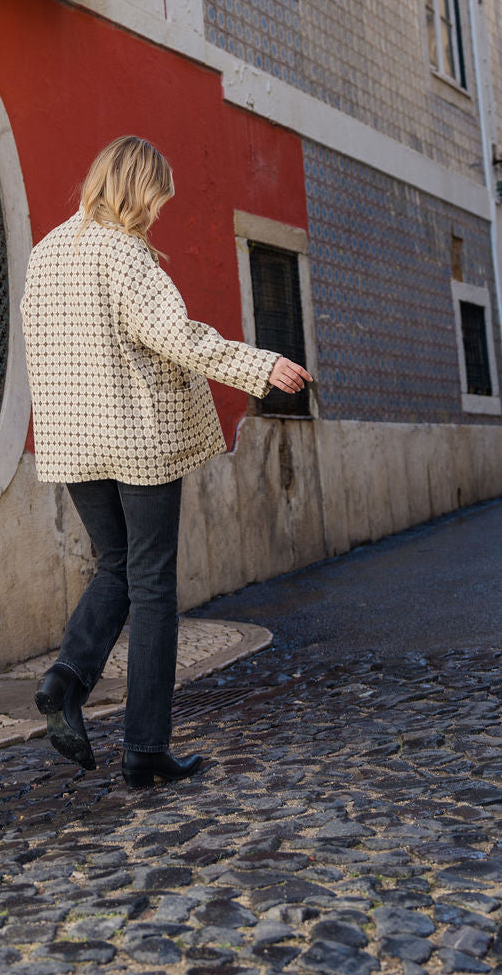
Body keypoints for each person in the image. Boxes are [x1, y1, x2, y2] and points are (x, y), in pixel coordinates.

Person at [19, 135, 312, 788]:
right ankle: (144, 748)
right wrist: (261, 367)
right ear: (136, 190)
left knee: (114, 567)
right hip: (137, 437)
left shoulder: (44, 255)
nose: (156, 216)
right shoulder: (127, 258)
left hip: (74, 442)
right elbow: (179, 340)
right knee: (151, 585)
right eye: (155, 201)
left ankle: (65, 680)